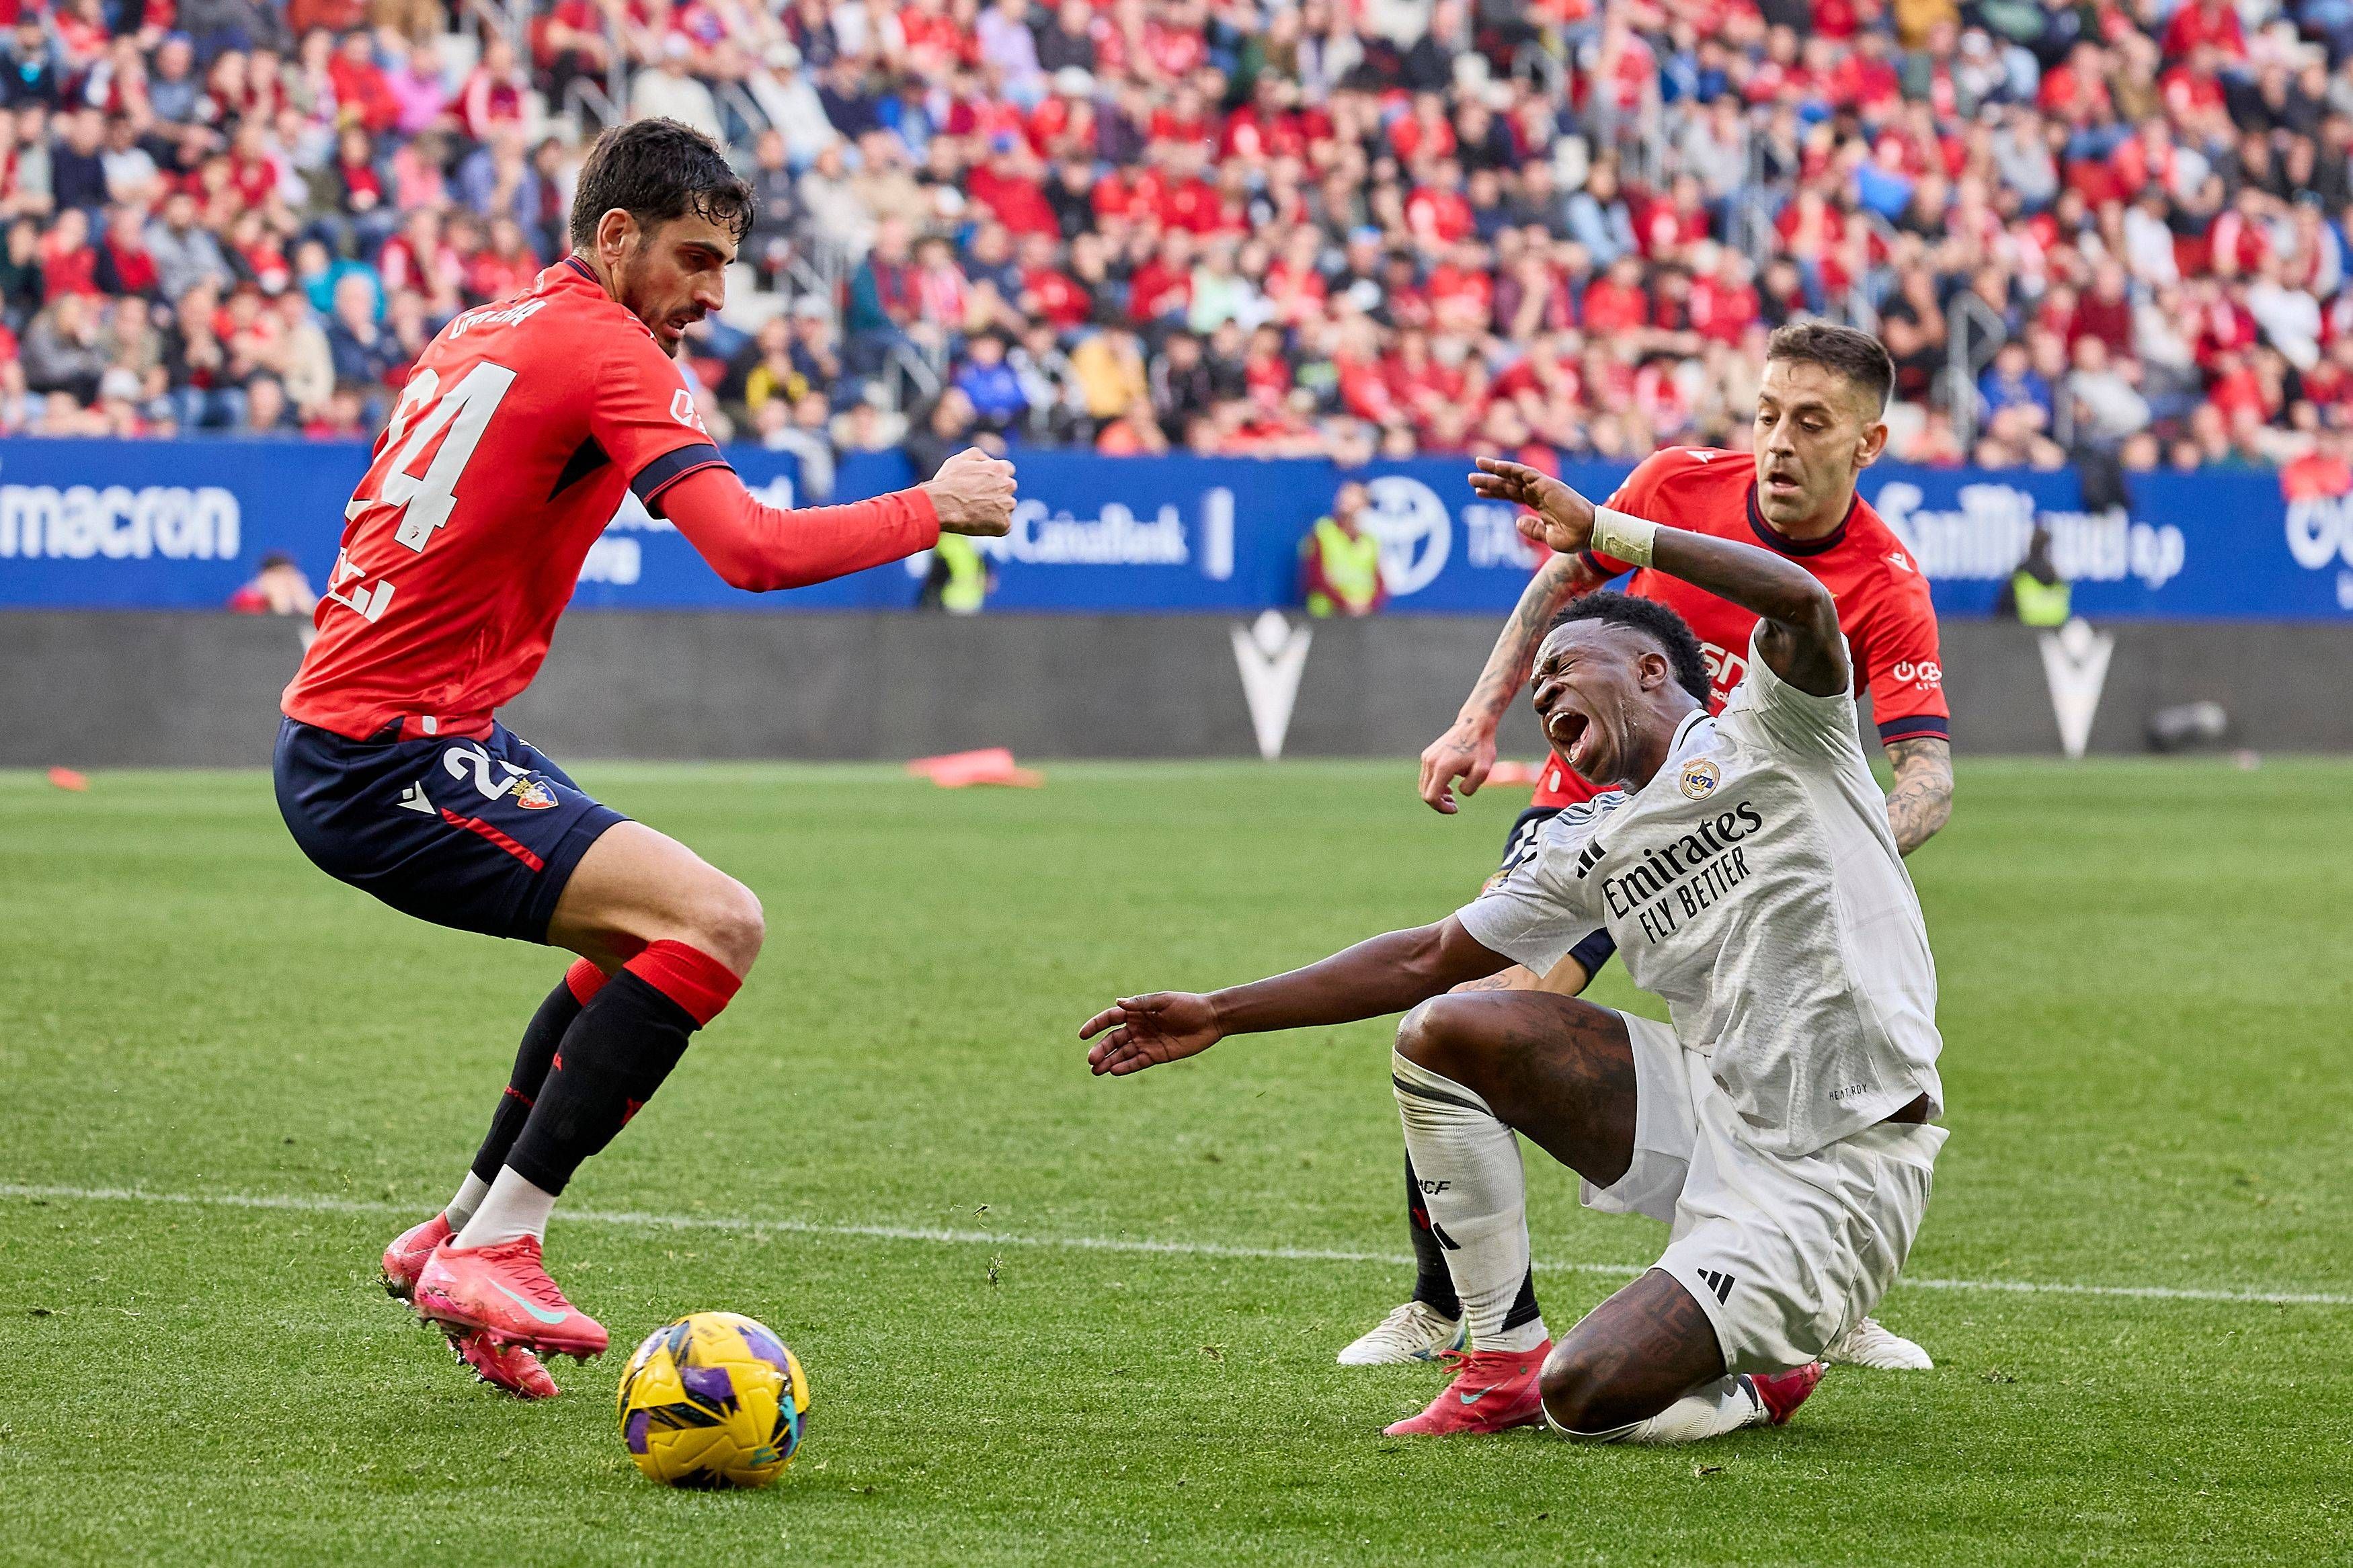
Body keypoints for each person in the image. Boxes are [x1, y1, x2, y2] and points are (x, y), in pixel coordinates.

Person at [272, 120, 1018, 1401]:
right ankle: (505, 1240)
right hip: (388, 755)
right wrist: (931, 508)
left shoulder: (483, 328)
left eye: (726, 265)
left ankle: (454, 1233)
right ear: (613, 238)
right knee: (716, 923)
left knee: (642, 938)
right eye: (693, 258)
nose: (713, 295)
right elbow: (752, 551)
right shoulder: (610, 351)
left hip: (389, 728)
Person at [1082, 457, 1947, 1440]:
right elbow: (1422, 956)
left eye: (1562, 672)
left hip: (1842, 1164)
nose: (1543, 697)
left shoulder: (1781, 731)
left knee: (1584, 1402)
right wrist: (1219, 1011)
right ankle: (1497, 1355)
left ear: (1651, 670)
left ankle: (1768, 1374)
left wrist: (1607, 532)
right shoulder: (1594, 841)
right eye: (1536, 691)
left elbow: (1800, 596)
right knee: (1445, 1028)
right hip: (1719, 1113)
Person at [1359, 323, 1954, 1375]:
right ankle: (1445, 1306)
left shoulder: (1886, 585)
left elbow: (1927, 779)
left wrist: (1832, 849)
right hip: (1598, 822)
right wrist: (1473, 720)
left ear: (1868, 445)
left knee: (1790, 1039)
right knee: (1478, 1012)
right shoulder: (1675, 484)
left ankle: (1817, 1285)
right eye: (1766, 413)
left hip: (1735, 854)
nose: (1777, 440)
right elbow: (1559, 589)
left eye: (1810, 422)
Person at [1299, 479, 1387, 618]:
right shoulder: (1323, 531)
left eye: (1355, 495)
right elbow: (1314, 578)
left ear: (1366, 504)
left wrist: (1366, 606)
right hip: (1325, 617)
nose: (1346, 498)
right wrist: (1345, 603)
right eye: (1345, 493)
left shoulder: (1371, 542)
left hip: (1360, 621)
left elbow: (1380, 584)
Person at [1993, 525, 2069, 624]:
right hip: (2053, 636)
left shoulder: (2018, 581)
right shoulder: (2060, 584)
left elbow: (2002, 619)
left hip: (2020, 637)